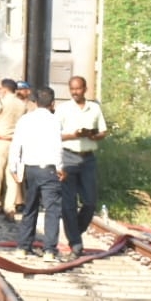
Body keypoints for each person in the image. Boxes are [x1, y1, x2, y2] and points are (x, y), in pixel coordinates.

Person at [9, 87, 65, 261]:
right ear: (53, 103)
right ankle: (49, 250)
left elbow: (16, 144)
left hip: (29, 169)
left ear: (34, 102)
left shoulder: (25, 120)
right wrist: (60, 167)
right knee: (52, 210)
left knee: (29, 208)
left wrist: (14, 167)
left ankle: (23, 247)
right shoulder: (55, 121)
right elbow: (58, 146)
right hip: (49, 169)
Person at [56, 76, 107, 256]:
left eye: (78, 89)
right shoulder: (63, 109)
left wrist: (94, 136)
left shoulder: (94, 108)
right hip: (68, 157)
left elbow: (103, 131)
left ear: (85, 89)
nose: (75, 92)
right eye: (72, 89)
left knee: (90, 202)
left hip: (88, 159)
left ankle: (75, 230)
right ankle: (75, 243)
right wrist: (74, 135)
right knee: (68, 204)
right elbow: (55, 135)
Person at [0, 77, 27, 220]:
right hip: (16, 143)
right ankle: (10, 209)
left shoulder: (1, 102)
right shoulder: (22, 104)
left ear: (4, 89)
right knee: (12, 178)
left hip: (1, 141)